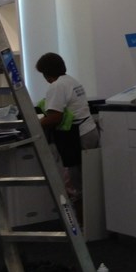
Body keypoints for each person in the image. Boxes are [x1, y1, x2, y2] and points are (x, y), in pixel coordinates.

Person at [35, 52, 98, 204]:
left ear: (46, 73)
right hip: (89, 131)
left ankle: (79, 217)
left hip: (77, 137)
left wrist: (34, 125)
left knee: (75, 185)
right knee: (89, 181)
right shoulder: (72, 81)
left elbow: (55, 117)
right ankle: (89, 216)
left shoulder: (57, 86)